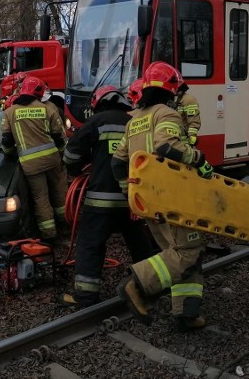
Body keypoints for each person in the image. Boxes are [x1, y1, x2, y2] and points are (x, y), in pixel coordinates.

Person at [111, 61, 213, 333]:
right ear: (171, 89)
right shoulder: (166, 113)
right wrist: (199, 159)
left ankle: (186, 314)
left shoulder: (134, 120)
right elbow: (166, 146)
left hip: (148, 201)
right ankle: (138, 285)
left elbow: (117, 162)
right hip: (172, 199)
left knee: (177, 252)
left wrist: (129, 190)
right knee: (189, 250)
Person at [59, 86, 154, 308]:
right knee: (141, 245)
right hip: (134, 200)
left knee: (90, 244)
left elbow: (71, 155)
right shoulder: (136, 121)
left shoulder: (97, 122)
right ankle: (151, 286)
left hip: (100, 201)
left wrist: (80, 169)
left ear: (97, 103)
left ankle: (86, 296)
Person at [1, 76, 68, 242]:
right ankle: (66, 225)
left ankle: (49, 234)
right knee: (59, 192)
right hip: (52, 159)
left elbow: (7, 141)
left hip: (30, 165)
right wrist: (61, 155)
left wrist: (10, 154)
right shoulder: (48, 109)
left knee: (40, 198)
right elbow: (59, 137)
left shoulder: (10, 112)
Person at [173, 82, 203, 149]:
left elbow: (194, 121)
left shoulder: (189, 100)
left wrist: (192, 138)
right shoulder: (169, 98)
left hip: (184, 142)